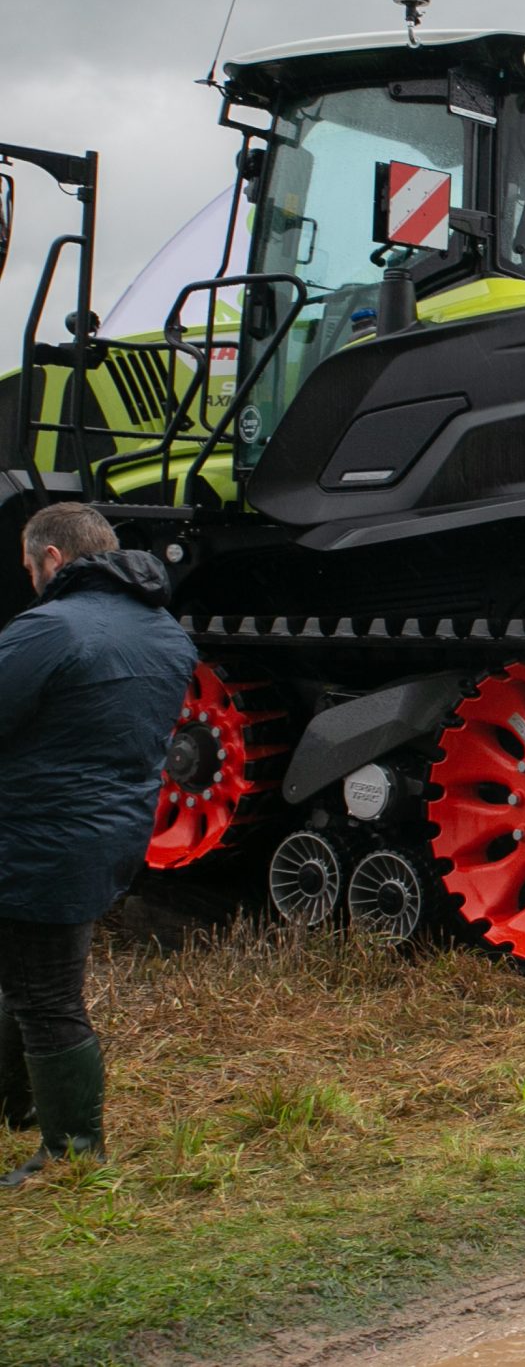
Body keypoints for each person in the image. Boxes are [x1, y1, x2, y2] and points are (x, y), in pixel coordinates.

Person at [0, 503, 196, 1187]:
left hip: (33, 837)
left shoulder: (50, 627)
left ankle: (74, 1152)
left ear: (52, 558)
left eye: (29, 567)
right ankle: (18, 1105)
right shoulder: (164, 632)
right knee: (27, 977)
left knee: (47, 995)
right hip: (103, 835)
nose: (31, 580)